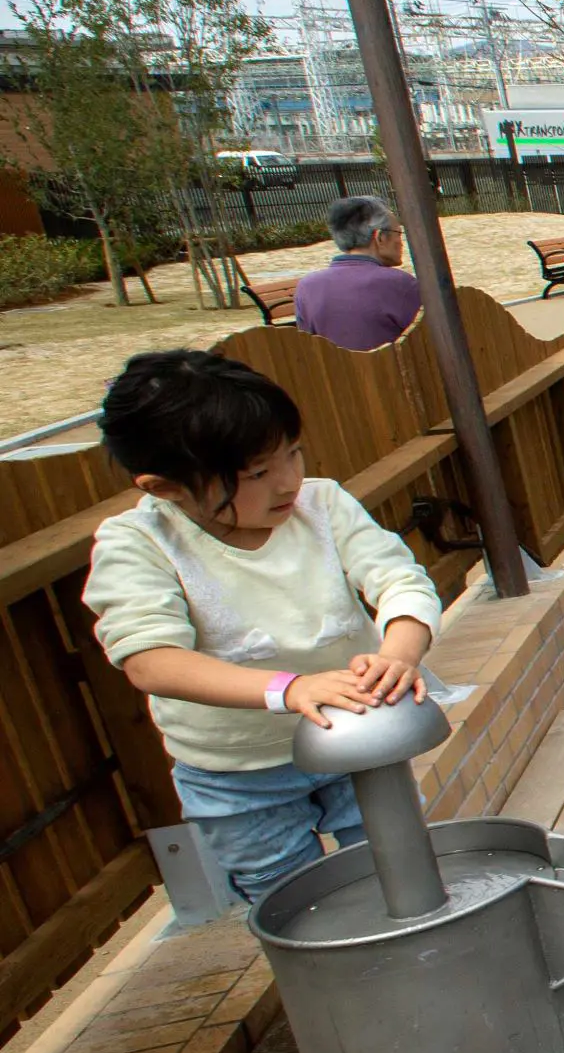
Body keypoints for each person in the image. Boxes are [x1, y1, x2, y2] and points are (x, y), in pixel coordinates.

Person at [81, 351, 440, 909]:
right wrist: (289, 690)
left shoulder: (322, 505)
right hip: (237, 777)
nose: (288, 481)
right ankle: (336, 991)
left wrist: (399, 651)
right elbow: (151, 660)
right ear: (165, 488)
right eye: (256, 473)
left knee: (400, 874)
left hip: (356, 741)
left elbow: (400, 581)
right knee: (296, 907)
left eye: (292, 453)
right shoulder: (138, 544)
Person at [293, 195, 423, 351]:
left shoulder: (307, 287)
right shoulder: (401, 284)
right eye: (398, 233)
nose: (401, 242)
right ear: (380, 237)